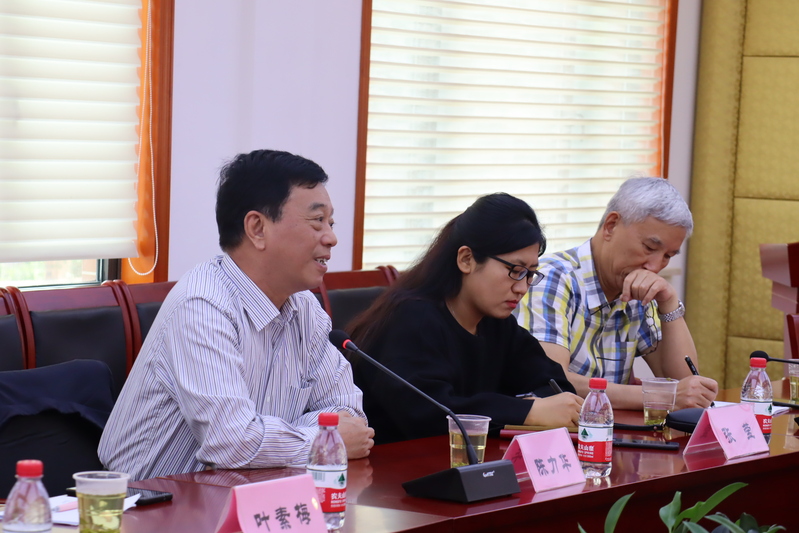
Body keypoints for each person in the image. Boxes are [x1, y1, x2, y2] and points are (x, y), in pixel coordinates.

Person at [99, 149, 374, 480]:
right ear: (257, 228)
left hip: (255, 493)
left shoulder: (304, 308)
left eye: (330, 223)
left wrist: (268, 436)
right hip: (152, 501)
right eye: (317, 221)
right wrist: (324, 440)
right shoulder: (203, 305)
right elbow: (231, 443)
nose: (331, 238)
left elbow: (349, 415)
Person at [348, 193, 582, 444]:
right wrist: (527, 411)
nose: (522, 288)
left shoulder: (497, 323)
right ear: (466, 259)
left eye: (530, 274)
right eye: (515, 271)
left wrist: (536, 406)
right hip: (393, 463)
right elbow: (429, 415)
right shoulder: (410, 319)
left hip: (470, 462)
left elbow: (554, 385)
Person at [516, 177, 718, 410]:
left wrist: (669, 302)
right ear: (611, 226)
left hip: (606, 427)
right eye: (650, 248)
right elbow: (553, 383)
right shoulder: (552, 278)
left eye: (668, 256)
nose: (654, 266)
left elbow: (686, 386)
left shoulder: (638, 288)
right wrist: (660, 396)